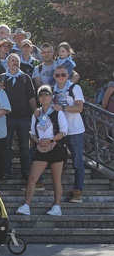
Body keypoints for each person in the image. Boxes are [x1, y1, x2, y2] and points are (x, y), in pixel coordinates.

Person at [16, 85, 69, 217]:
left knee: (56, 178)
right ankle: (26, 205)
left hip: (56, 147)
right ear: (39, 99)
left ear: (51, 97)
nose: (44, 98)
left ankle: (57, 207)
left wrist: (51, 140)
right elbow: (32, 132)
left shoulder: (58, 112)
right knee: (32, 177)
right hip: (41, 148)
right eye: (42, 96)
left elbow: (64, 131)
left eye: (47, 95)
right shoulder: (37, 114)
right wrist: (37, 140)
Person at [50, 65, 85, 203]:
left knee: (77, 162)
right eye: (57, 75)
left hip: (75, 130)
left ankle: (78, 191)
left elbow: (79, 108)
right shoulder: (52, 89)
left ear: (68, 75)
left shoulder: (74, 88)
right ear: (54, 76)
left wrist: (63, 107)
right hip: (59, 131)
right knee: (58, 162)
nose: (60, 77)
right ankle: (58, 191)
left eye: (63, 75)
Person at [1, 54, 38, 180]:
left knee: (25, 147)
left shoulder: (25, 78)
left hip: (23, 117)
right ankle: (6, 171)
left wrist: (35, 113)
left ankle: (26, 171)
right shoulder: (1, 78)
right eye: (12, 60)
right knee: (6, 147)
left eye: (17, 61)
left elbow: (31, 97)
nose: (15, 63)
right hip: (6, 118)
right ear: (7, 63)